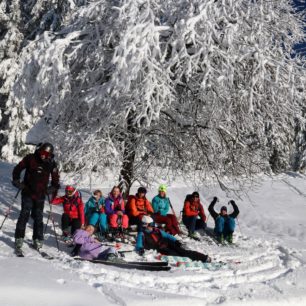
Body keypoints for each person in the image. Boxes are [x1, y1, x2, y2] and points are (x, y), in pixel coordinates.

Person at [12, 142, 60, 252]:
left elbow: (56, 179)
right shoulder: (30, 158)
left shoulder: (51, 163)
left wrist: (52, 188)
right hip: (28, 192)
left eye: (47, 154)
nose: (44, 155)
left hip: (40, 195)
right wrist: (16, 180)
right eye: (43, 152)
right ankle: (19, 238)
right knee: (24, 214)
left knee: (38, 217)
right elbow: (18, 168)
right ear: (40, 150)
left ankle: (37, 239)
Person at [136, 216, 211, 262]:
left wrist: (176, 241)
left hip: (168, 244)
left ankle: (204, 258)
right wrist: (140, 249)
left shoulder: (157, 230)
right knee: (177, 255)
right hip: (161, 249)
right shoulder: (142, 233)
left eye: (152, 224)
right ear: (145, 225)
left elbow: (168, 236)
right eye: (150, 225)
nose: (152, 226)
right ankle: (189, 260)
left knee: (184, 251)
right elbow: (139, 244)